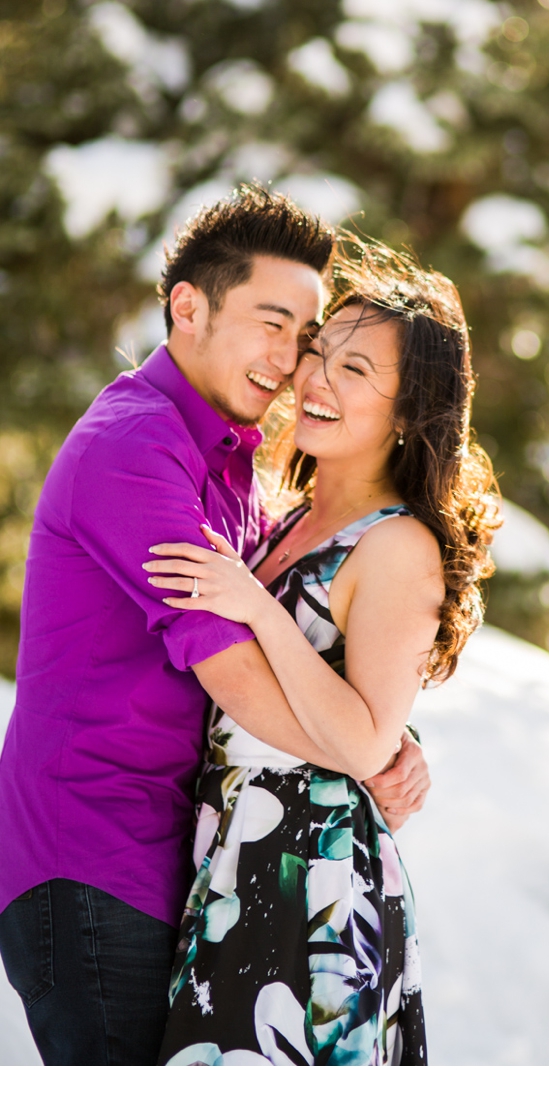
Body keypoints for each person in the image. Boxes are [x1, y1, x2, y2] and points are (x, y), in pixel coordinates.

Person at [0, 188, 429, 1067]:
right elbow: (230, 672)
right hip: (92, 855)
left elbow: (296, 640)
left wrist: (389, 724)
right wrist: (365, 747)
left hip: (179, 866)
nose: (292, 362)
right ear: (188, 307)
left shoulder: (234, 469)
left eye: (305, 337)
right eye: (272, 323)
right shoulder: (134, 447)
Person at [147, 240, 500, 1066]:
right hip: (235, 867)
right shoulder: (288, 520)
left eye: (356, 371)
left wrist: (255, 611)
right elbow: (353, 717)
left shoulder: (397, 544)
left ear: (411, 411)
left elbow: (364, 737)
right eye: (318, 353)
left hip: (310, 885)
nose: (315, 380)